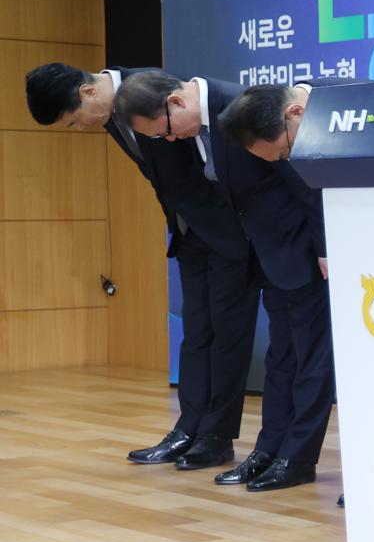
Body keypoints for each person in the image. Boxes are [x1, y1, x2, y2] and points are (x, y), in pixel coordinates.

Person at [24, 63, 255, 470]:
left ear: (87, 92)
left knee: (226, 336)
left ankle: (217, 436)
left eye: (75, 120)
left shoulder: (148, 89)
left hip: (227, 233)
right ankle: (189, 429)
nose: (80, 128)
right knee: (197, 334)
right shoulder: (110, 113)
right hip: (190, 234)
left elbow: (212, 159)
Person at [117, 73, 336, 493]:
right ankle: (268, 449)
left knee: (309, 360)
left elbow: (303, 183)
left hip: (300, 252)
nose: (166, 140)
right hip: (263, 253)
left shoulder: (243, 105)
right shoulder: (193, 125)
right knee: (280, 359)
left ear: (177, 103)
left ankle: (297, 457)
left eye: (163, 130)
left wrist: (324, 248)